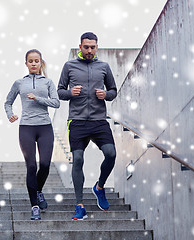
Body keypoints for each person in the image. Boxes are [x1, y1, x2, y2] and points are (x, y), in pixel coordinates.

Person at [57, 32, 117, 220]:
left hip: (99, 120)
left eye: (93, 47)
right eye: (86, 47)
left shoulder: (104, 67)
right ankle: (80, 205)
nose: (89, 50)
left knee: (111, 154)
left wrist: (106, 95)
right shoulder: (69, 66)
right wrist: (70, 93)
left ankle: (99, 187)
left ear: (96, 47)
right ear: (80, 47)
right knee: (78, 159)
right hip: (77, 120)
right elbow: (59, 92)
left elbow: (114, 90)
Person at [4, 49, 60, 220]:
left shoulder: (48, 82)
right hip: (26, 128)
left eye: (37, 61)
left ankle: (38, 190)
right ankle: (34, 205)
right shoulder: (19, 83)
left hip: (44, 127)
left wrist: (38, 99)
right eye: (30, 61)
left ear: (41, 62)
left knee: (44, 165)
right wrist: (10, 115)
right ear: (26, 63)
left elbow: (56, 102)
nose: (34, 63)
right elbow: (7, 102)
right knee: (31, 166)